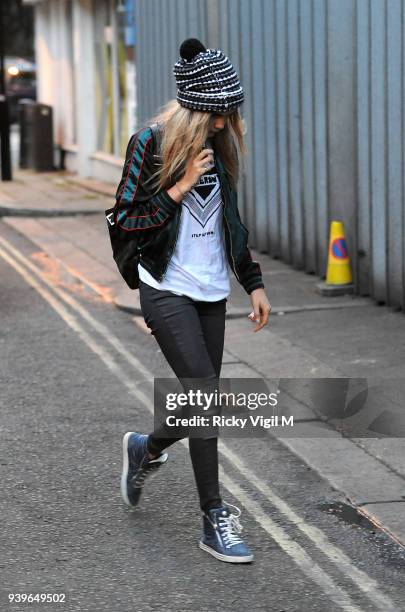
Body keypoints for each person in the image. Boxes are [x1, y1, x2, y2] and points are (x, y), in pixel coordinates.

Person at [116, 38, 271, 563]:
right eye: (217, 113)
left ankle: (147, 448)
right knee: (207, 399)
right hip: (164, 287)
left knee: (203, 400)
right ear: (193, 107)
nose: (225, 124)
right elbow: (125, 220)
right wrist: (179, 186)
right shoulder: (150, 145)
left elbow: (230, 225)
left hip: (210, 292)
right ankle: (214, 517)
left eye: (229, 113)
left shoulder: (221, 149)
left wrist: (252, 281)